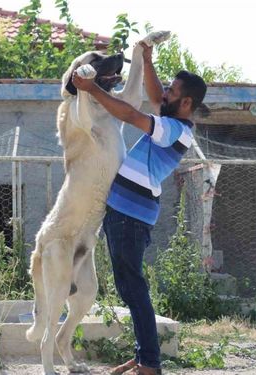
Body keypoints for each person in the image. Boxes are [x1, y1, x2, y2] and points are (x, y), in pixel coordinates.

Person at [72, 41, 207, 375]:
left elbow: (131, 114)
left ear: (186, 102)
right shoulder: (173, 123)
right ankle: (144, 355)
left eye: (172, 91)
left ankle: (149, 363)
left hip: (130, 217)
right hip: (126, 215)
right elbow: (154, 91)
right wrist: (146, 59)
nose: (164, 93)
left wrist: (90, 89)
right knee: (130, 289)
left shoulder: (173, 130)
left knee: (134, 289)